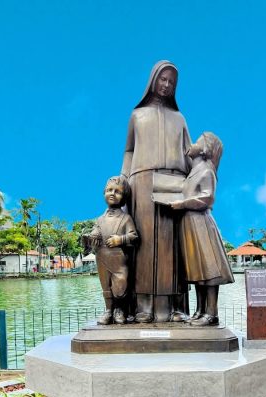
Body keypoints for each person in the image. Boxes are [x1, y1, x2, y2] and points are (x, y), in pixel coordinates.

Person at [121, 60, 191, 323]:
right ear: (153, 81)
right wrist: (124, 179)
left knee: (171, 247)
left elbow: (189, 152)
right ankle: (143, 306)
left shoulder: (179, 118)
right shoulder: (137, 115)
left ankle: (171, 307)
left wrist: (201, 175)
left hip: (175, 182)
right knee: (144, 245)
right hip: (142, 182)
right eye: (163, 79)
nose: (167, 85)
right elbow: (129, 150)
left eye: (172, 82)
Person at [170, 132, 234, 325]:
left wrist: (182, 204)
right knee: (198, 269)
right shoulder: (194, 171)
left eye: (197, 141)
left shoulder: (207, 171)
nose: (192, 143)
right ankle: (199, 310)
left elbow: (208, 198)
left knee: (209, 269)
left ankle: (211, 313)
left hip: (201, 224)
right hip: (190, 224)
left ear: (205, 149)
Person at [85, 176, 138, 325]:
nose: (112, 193)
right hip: (102, 257)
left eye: (117, 191)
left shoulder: (126, 218)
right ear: (104, 193)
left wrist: (120, 240)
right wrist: (93, 235)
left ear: (124, 197)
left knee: (120, 284)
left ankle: (119, 310)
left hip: (119, 259)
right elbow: (95, 232)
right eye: (109, 190)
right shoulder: (100, 220)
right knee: (105, 285)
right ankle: (109, 310)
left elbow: (134, 236)